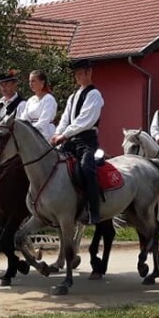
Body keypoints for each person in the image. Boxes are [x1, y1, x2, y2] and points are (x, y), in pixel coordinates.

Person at [51, 59, 104, 224]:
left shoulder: (94, 94)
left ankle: (93, 209)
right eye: (76, 74)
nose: (78, 77)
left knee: (87, 168)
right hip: (69, 141)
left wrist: (64, 135)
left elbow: (85, 120)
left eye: (81, 73)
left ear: (89, 72)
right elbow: (65, 118)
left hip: (87, 141)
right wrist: (57, 133)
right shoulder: (73, 96)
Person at [19, 69, 57, 140]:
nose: (30, 84)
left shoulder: (49, 99)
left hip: (46, 133)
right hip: (31, 133)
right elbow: (24, 118)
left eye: (33, 81)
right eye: (29, 81)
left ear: (42, 82)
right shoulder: (30, 100)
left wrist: (30, 130)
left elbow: (44, 121)